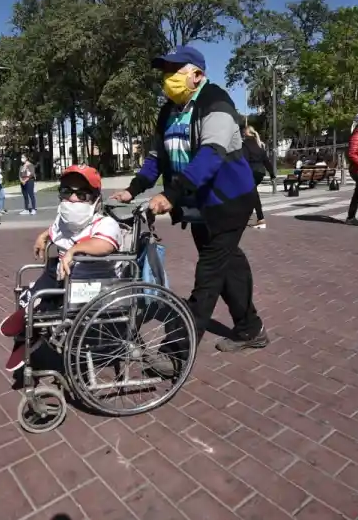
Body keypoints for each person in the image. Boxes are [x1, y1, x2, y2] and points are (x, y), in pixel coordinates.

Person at [111, 45, 268, 373]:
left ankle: (175, 352)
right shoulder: (169, 111)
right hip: (198, 205)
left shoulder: (216, 103)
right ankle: (250, 328)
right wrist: (133, 189)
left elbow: (210, 154)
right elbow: (157, 158)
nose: (168, 78)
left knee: (208, 274)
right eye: (165, 72)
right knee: (228, 265)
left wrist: (171, 195)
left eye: (175, 70)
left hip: (228, 202)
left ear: (197, 75)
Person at [0, 165, 122, 371]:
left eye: (81, 194)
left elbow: (105, 245)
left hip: (89, 284)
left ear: (95, 199)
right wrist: (43, 236)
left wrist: (75, 250)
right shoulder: (64, 220)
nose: (72, 198)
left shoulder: (105, 224)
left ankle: (29, 329)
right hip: (61, 275)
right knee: (38, 285)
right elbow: (55, 229)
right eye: (66, 191)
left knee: (41, 298)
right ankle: (28, 326)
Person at [242, 125, 275, 229]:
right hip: (260, 172)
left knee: (252, 194)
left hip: (251, 172)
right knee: (252, 193)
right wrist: (272, 174)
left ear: (246, 133)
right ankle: (251, 216)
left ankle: (260, 219)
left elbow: (244, 160)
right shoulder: (259, 144)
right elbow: (266, 161)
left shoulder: (245, 144)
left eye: (243, 133)